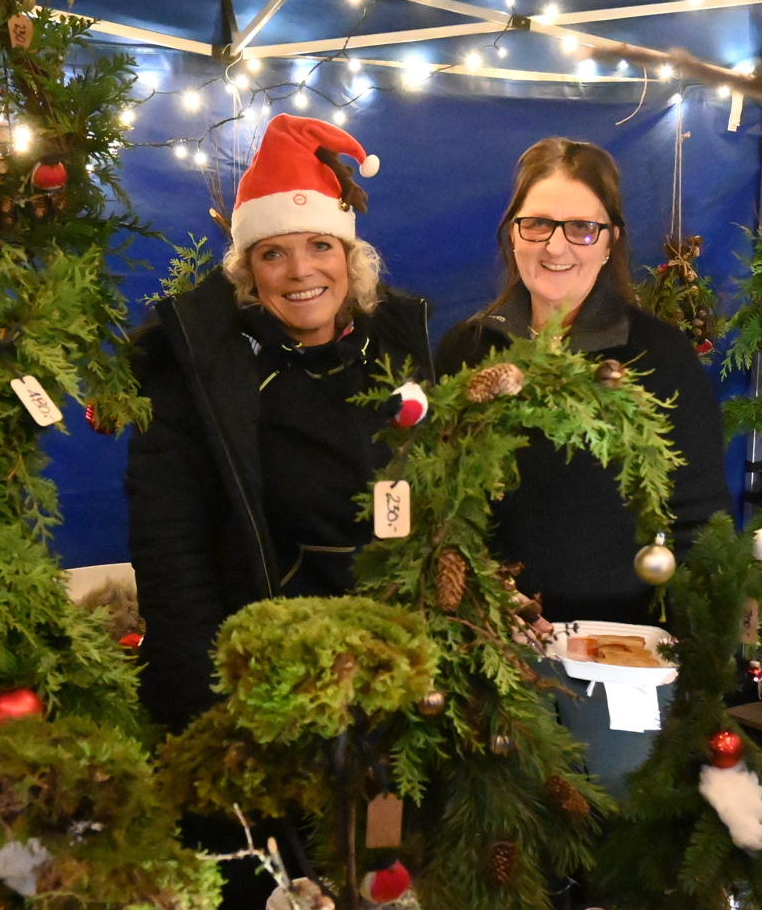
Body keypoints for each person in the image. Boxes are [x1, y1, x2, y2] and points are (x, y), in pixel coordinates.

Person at [127, 115, 432, 727]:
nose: (300, 271)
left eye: (320, 245)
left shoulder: (400, 352)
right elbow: (172, 551)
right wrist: (209, 708)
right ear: (246, 272)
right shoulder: (198, 373)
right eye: (274, 253)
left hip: (394, 678)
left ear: (350, 258)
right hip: (261, 683)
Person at [435, 137, 730, 626]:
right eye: (537, 224)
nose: (555, 246)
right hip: (493, 635)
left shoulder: (661, 356)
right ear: (513, 234)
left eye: (582, 228)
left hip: (625, 642)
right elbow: (440, 505)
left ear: (611, 241)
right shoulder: (465, 352)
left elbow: (700, 522)